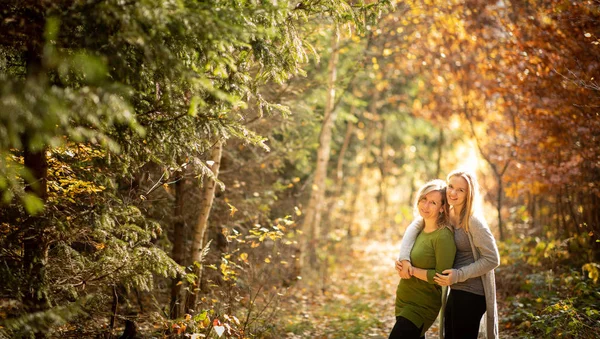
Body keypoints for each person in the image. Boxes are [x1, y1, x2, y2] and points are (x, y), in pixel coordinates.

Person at [396, 169, 500, 339]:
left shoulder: (473, 221)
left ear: (469, 194)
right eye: (451, 186)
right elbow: (415, 226)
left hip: (473, 291)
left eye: (461, 190)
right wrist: (404, 258)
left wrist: (459, 274)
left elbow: (492, 259)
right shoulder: (448, 213)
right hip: (456, 289)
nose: (453, 192)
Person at [389, 179, 457, 339]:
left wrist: (411, 270)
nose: (425, 206)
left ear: (442, 208)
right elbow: (413, 257)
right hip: (404, 302)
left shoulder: (443, 236)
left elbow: (442, 276)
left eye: (432, 202)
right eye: (424, 199)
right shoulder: (419, 229)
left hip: (421, 306)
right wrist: (401, 264)